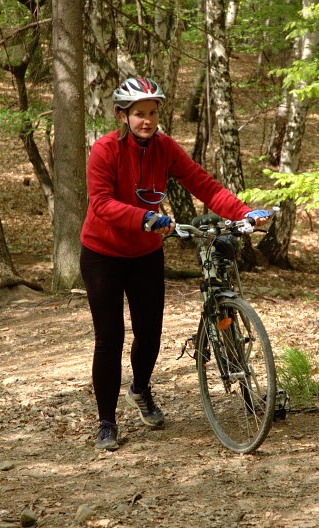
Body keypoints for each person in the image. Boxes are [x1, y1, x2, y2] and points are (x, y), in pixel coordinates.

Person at [80, 76, 270, 451]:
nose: (147, 120)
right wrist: (145, 217)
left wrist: (244, 212)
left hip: (145, 253)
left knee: (149, 334)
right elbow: (100, 203)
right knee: (110, 339)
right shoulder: (105, 150)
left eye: (152, 113)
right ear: (122, 115)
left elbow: (204, 184)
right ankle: (106, 422)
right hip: (102, 254)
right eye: (139, 114)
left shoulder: (165, 148)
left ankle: (140, 389)